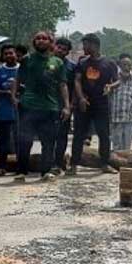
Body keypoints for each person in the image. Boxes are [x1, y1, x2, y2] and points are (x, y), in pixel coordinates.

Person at [13, 31, 70, 181]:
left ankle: (45, 172)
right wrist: (14, 97)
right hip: (28, 106)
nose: (40, 40)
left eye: (44, 38)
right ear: (34, 42)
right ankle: (21, 172)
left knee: (48, 141)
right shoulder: (27, 60)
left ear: (51, 42)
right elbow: (18, 78)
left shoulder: (58, 62)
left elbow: (63, 85)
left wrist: (66, 106)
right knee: (25, 141)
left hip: (50, 107)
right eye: (37, 38)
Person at [71, 33, 119, 174]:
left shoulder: (109, 63)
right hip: (84, 103)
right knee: (79, 134)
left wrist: (110, 86)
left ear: (94, 45)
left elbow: (117, 81)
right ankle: (74, 164)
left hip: (101, 104)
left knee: (104, 134)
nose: (84, 47)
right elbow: (77, 81)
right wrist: (80, 98)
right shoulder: (82, 62)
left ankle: (104, 163)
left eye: (86, 44)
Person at [0, 44, 20, 175]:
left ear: (16, 54)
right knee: (3, 141)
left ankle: (21, 167)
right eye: (6, 53)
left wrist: (14, 92)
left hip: (21, 111)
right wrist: (7, 93)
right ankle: (1, 167)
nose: (9, 55)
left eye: (11, 53)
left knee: (21, 140)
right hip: (3, 112)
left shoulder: (23, 69)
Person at [51, 37, 77, 174]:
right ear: (54, 47)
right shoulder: (46, 63)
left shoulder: (71, 67)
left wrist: (71, 104)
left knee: (62, 135)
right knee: (48, 135)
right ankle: (47, 162)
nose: (60, 50)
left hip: (64, 105)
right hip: (48, 104)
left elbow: (73, 87)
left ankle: (58, 163)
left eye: (64, 49)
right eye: (58, 47)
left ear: (67, 52)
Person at [109, 53, 132, 152]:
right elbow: (108, 95)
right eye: (124, 64)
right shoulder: (114, 78)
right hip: (115, 116)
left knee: (127, 144)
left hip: (129, 116)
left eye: (129, 65)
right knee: (116, 143)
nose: (127, 67)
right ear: (119, 65)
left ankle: (125, 163)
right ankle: (117, 163)